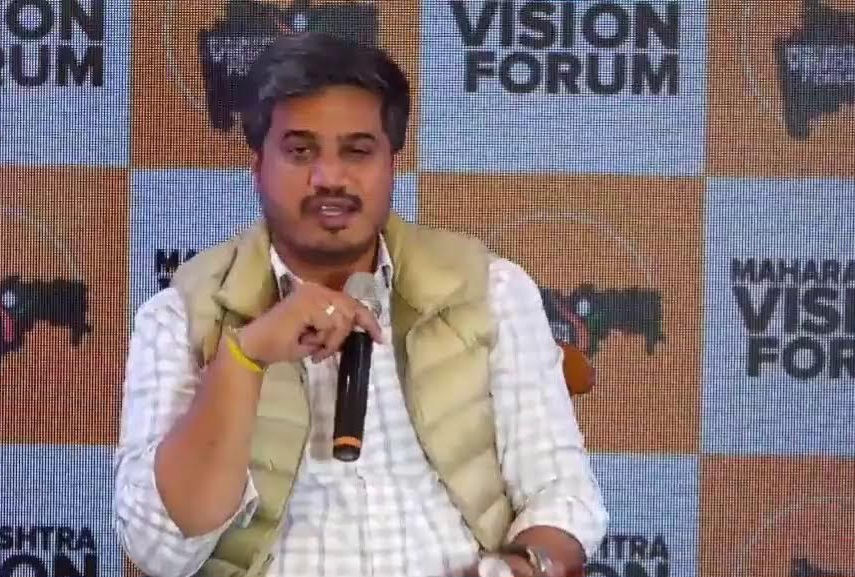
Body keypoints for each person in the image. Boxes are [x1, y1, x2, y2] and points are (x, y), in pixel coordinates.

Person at [113, 32, 608, 577]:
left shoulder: (489, 290)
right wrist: (244, 359)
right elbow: (159, 550)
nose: (329, 177)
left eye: (357, 150)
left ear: (391, 163)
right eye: (300, 151)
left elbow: (562, 495)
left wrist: (524, 567)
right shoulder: (182, 314)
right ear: (258, 167)